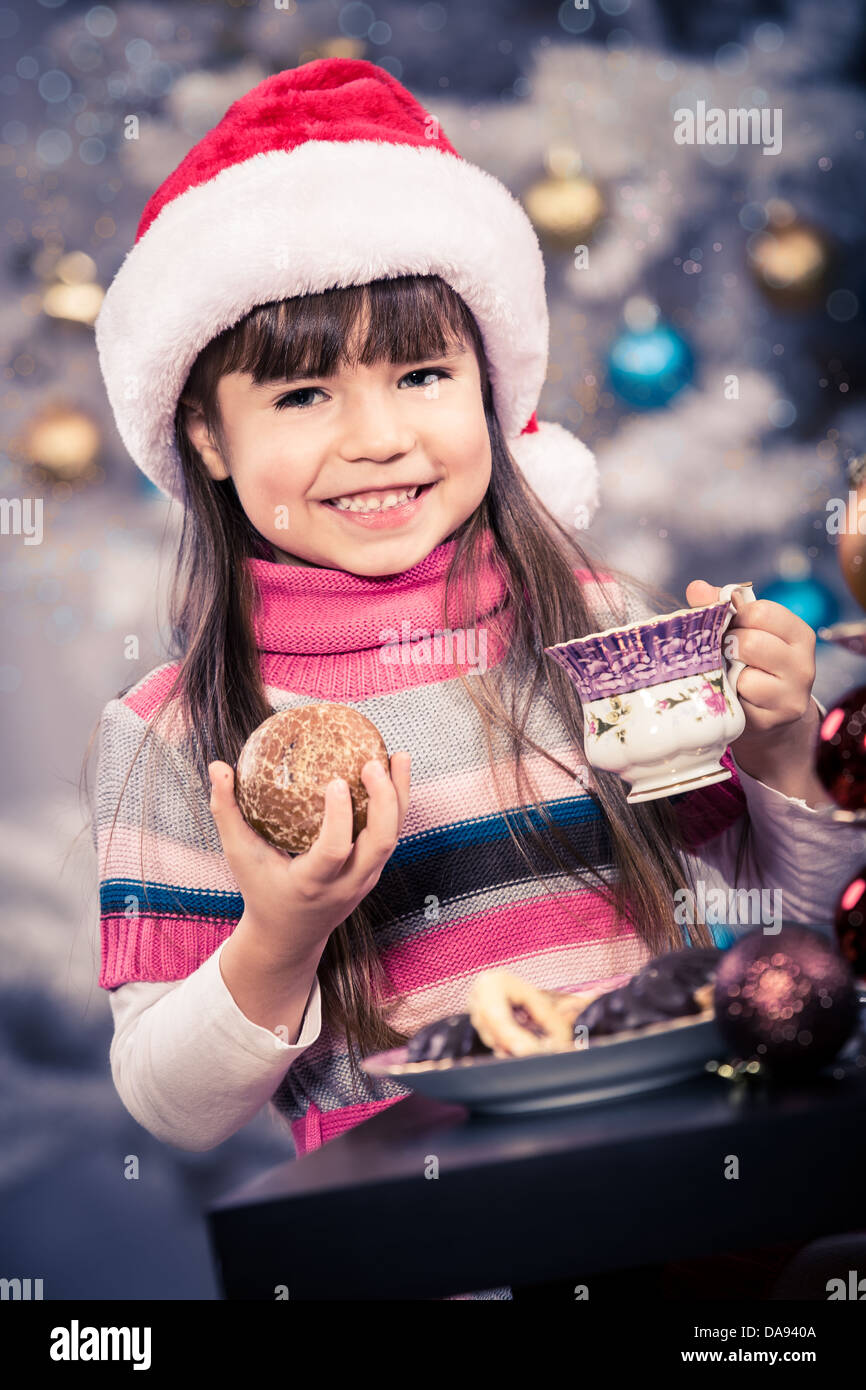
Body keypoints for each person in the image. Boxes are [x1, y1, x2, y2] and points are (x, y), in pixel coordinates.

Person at [86, 58, 864, 1301]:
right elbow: (174, 1105)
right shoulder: (181, 738)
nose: (378, 437)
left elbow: (778, 940)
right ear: (206, 435)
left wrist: (782, 767)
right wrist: (284, 933)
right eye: (301, 391)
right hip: (440, 1261)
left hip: (697, 1213)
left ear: (490, 387)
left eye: (421, 375)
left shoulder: (598, 628)